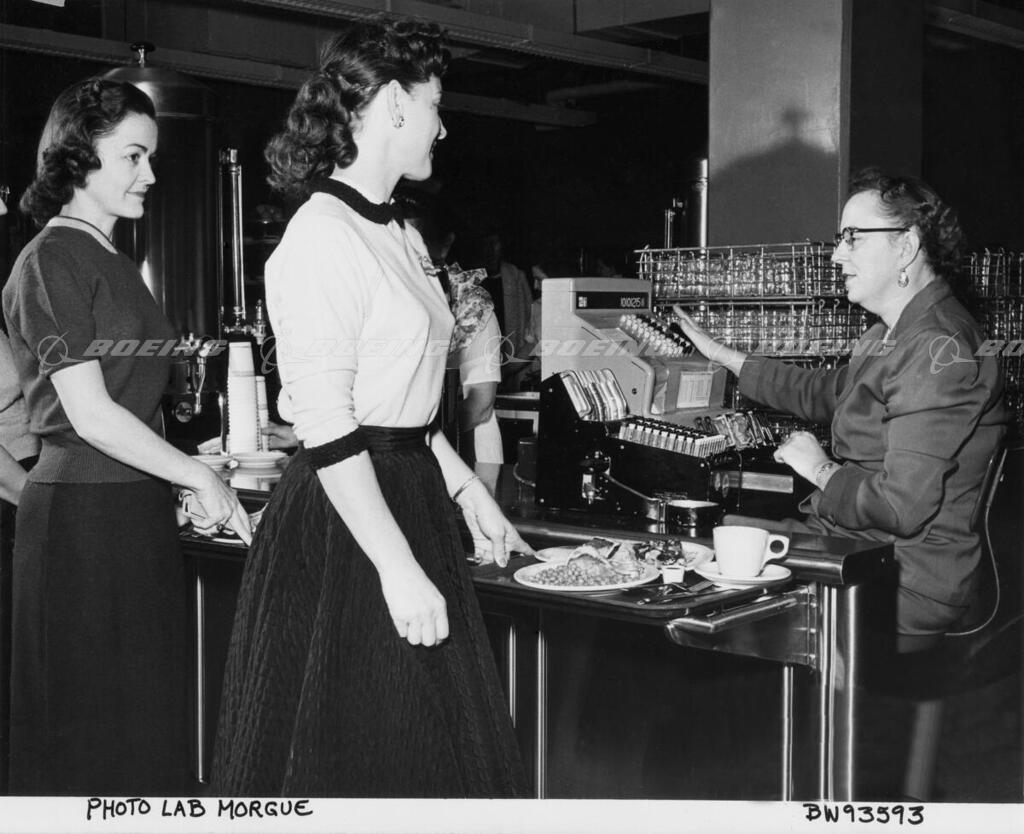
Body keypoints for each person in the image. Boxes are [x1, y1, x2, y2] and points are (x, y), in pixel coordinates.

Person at [210, 18, 531, 797]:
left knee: (430, 752)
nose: (442, 127)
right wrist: (397, 567)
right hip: (346, 520)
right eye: (434, 105)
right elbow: (328, 424)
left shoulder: (400, 234)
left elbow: (403, 408)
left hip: (409, 491)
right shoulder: (321, 238)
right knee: (366, 750)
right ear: (392, 104)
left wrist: (467, 490)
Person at [3, 77, 251, 796]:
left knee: (140, 727)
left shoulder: (111, 260)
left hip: (131, 512)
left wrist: (182, 476)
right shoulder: (51, 260)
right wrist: (196, 475)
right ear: (79, 157)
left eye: (152, 157)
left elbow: (134, 402)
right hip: (81, 521)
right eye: (134, 156)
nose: (151, 174)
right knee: (86, 735)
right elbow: (88, 414)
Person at [674, 168, 1007, 637]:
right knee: (701, 543)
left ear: (906, 246)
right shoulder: (890, 334)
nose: (836, 255)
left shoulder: (938, 348)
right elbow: (827, 392)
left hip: (901, 577)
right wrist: (725, 356)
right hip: (859, 548)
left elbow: (900, 507)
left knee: (700, 595)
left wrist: (820, 469)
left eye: (853, 238)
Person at [480, 229, 533, 384]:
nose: (490, 249)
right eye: (486, 244)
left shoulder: (515, 276)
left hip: (509, 349)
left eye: (495, 243)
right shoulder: (473, 277)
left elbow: (529, 315)